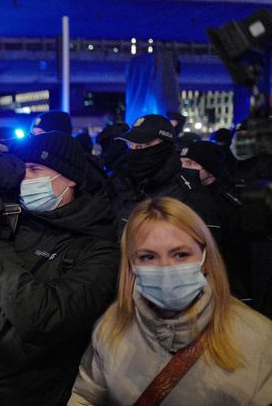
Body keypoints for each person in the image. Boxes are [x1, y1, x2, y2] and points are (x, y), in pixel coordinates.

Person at [0, 131, 119, 406]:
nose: (24, 179)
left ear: (71, 179)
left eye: (34, 169)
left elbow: (42, 319)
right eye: (21, 170)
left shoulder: (100, 249)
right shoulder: (15, 224)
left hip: (38, 396)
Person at [68, 197, 272, 406]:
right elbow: (86, 396)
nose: (165, 269)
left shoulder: (260, 338)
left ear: (204, 258)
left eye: (181, 254)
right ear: (131, 264)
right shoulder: (112, 325)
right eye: (148, 257)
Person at [111, 114, 220, 240]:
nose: (135, 151)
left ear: (165, 146)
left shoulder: (189, 194)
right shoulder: (125, 183)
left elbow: (203, 249)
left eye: (143, 145)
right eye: (131, 145)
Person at [180, 141, 251, 300]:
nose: (183, 168)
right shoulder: (178, 195)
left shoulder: (227, 206)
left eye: (190, 163)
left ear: (210, 171)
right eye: (181, 162)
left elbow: (237, 256)